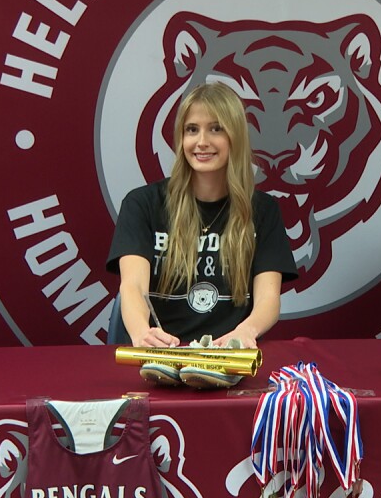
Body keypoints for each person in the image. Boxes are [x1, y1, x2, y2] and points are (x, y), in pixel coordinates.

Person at [106, 83, 297, 348]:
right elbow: (133, 286)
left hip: (228, 359)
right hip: (162, 356)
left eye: (216, 129)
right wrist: (142, 333)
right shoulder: (142, 204)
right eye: (192, 129)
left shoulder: (263, 210)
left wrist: (246, 332)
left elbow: (268, 298)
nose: (202, 142)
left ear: (236, 137)